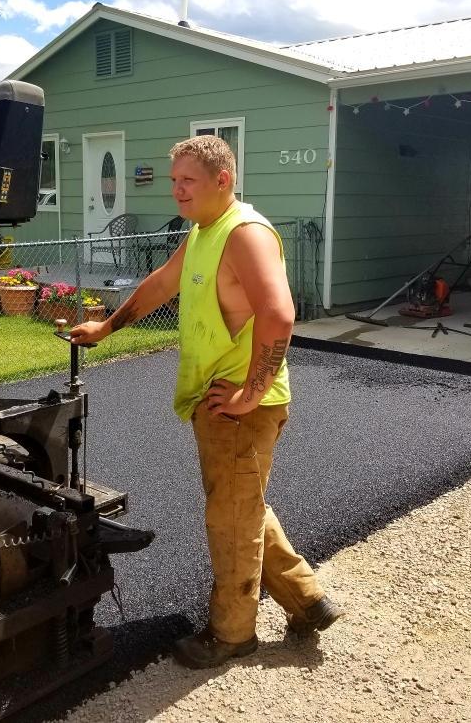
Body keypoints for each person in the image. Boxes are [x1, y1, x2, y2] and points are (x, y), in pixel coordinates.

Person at [70, 135, 342, 670]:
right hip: (218, 402)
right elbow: (160, 284)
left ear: (223, 180)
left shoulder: (244, 233)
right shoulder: (203, 233)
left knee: (230, 519)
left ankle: (231, 633)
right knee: (242, 506)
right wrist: (108, 325)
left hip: (239, 409)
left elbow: (279, 315)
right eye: (173, 182)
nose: (177, 192)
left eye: (186, 181)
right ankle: (307, 600)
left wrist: (251, 393)